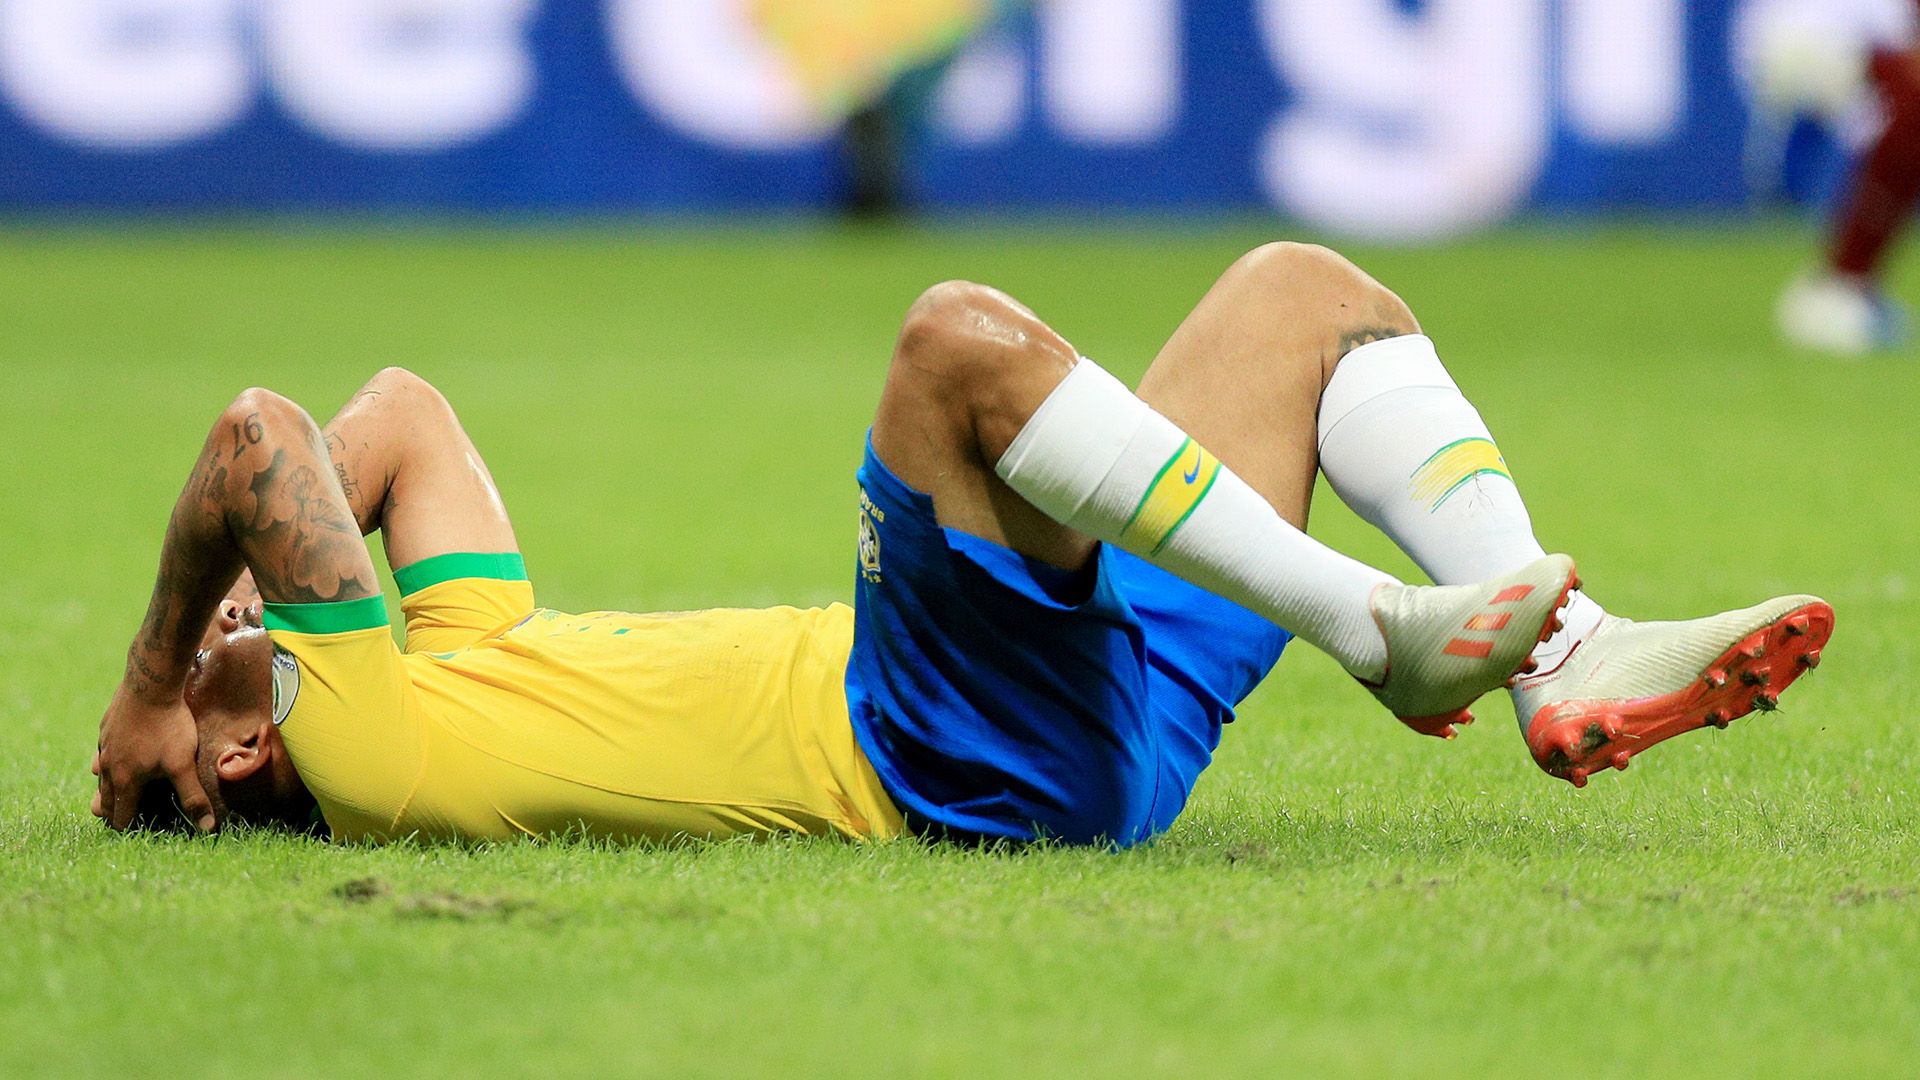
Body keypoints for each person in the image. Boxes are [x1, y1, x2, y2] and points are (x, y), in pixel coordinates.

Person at [90, 243, 1834, 847]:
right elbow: (260, 442)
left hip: (1063, 706)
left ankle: (1561, 658)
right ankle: (1383, 630)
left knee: (1302, 300)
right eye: (248, 642)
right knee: (953, 350)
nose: (255, 600)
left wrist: (215, 637)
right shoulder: (373, 749)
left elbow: (393, 413)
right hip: (941, 746)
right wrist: (156, 677)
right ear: (244, 749)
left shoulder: (454, 660)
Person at [1746, 0, 1920, 353]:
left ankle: (1847, 286)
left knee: (1906, 119)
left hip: (1856, 38)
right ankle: (1841, 287)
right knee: (1910, 111)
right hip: (1818, 31)